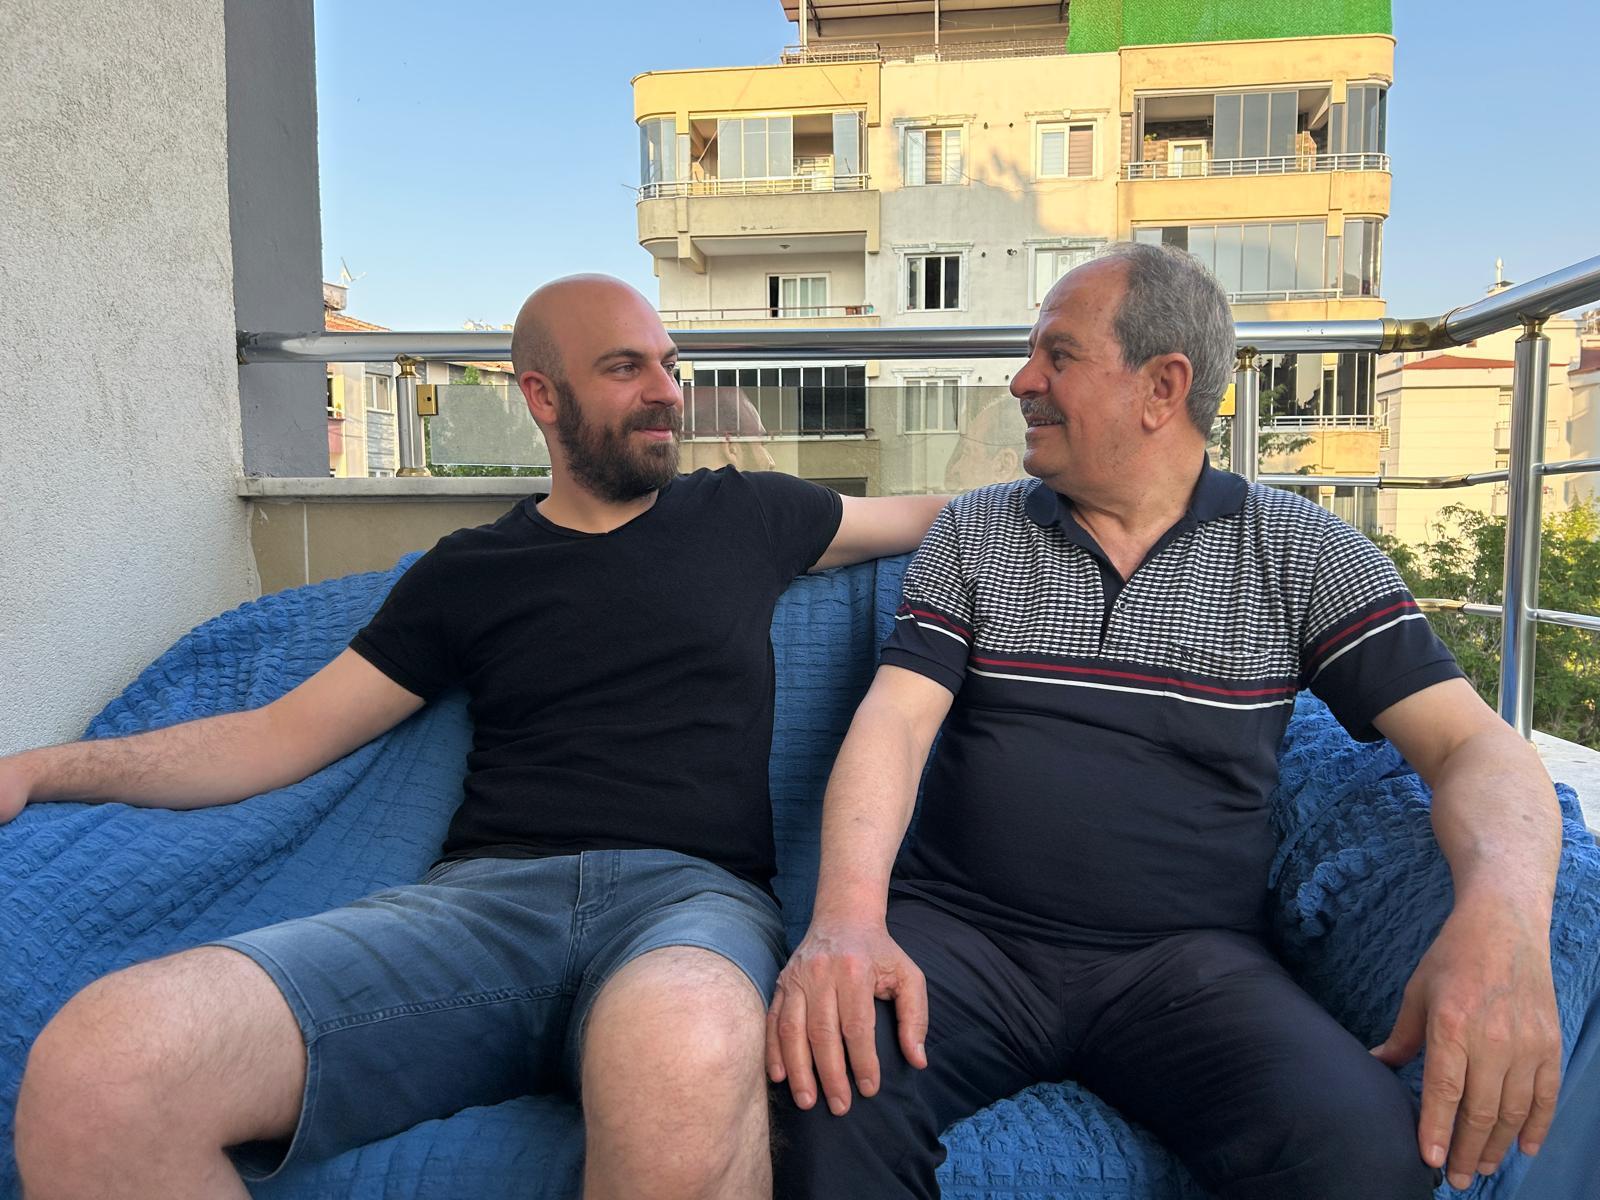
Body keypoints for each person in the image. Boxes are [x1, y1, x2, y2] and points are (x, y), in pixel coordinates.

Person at [5, 275, 947, 1200]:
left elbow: (939, 521)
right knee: (102, 1073)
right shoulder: (469, 571)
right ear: (541, 394)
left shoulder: (745, 511)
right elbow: (275, 737)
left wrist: (1084, 481)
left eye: (670, 362)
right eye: (627, 367)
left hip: (688, 907)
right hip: (483, 908)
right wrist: (42, 770)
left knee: (688, 1052)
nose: (668, 389)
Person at [767, 242, 1564, 1200]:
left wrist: (1505, 920)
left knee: (1367, 1155)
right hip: (964, 940)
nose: (1023, 381)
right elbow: (895, 721)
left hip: (1188, 966)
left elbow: (1476, 746)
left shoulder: (1304, 552)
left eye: (1057, 355)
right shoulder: (976, 532)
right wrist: (848, 921)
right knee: (820, 1095)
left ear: (1162, 386)